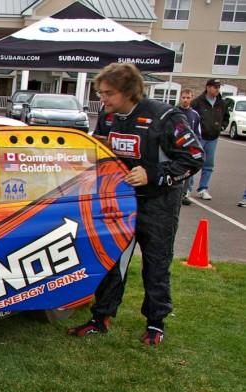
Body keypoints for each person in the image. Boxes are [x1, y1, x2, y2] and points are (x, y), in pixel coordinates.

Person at [68, 63, 204, 346]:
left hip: (159, 205)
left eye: (108, 93)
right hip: (119, 205)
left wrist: (153, 174)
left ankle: (156, 322)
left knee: (155, 264)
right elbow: (101, 153)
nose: (101, 99)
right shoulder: (108, 118)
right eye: (100, 93)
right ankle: (100, 317)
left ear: (129, 91)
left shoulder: (166, 116)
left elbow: (194, 158)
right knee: (111, 260)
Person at [190, 78, 230, 201]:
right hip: (199, 138)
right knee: (192, 162)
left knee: (208, 165)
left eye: (218, 87)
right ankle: (187, 189)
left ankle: (203, 188)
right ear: (208, 87)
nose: (217, 89)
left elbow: (226, 117)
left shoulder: (221, 103)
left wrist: (222, 126)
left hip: (213, 138)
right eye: (214, 87)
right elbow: (191, 116)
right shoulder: (197, 102)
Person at [177, 88, 202, 205]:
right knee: (176, 171)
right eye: (183, 97)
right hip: (175, 148)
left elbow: (197, 133)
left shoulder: (194, 115)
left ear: (191, 99)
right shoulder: (174, 112)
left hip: (188, 150)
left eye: (188, 98)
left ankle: (184, 194)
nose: (185, 100)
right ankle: (174, 194)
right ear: (180, 98)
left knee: (187, 172)